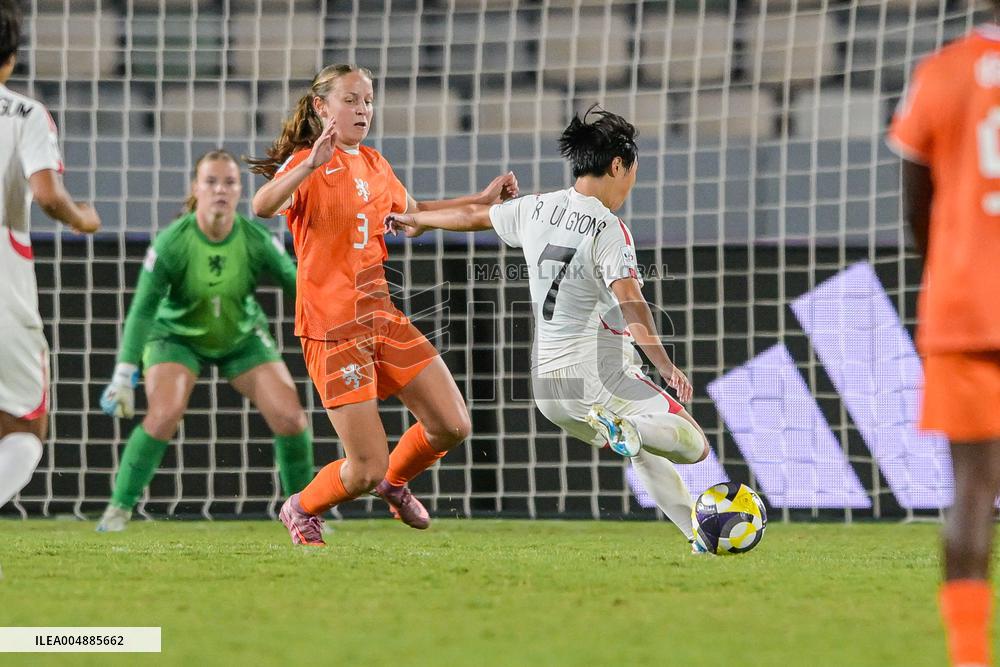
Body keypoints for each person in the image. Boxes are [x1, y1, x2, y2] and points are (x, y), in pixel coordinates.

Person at [387, 106, 710, 552]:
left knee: (641, 446)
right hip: (598, 375)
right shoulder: (609, 229)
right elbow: (631, 300)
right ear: (617, 165)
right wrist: (666, 364)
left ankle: (696, 534)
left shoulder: (538, 208)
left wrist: (420, 218)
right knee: (695, 446)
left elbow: (474, 216)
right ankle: (633, 430)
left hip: (549, 390)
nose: (631, 183)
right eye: (632, 171)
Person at [248, 64, 517, 545]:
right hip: (333, 331)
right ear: (321, 106)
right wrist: (309, 164)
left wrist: (481, 199)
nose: (363, 110)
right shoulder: (308, 163)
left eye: (368, 101)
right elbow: (263, 206)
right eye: (351, 99)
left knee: (452, 424)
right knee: (364, 468)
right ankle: (302, 507)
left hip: (382, 318)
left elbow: (415, 214)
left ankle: (397, 482)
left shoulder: (375, 165)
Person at [97, 149, 313, 531]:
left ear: (240, 190)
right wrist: (123, 372)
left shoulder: (256, 238)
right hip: (175, 337)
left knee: (292, 418)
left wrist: (336, 327)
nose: (220, 190)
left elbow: (298, 288)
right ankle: (118, 508)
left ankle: (305, 513)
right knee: (163, 415)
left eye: (229, 182)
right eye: (210, 181)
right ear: (195, 188)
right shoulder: (172, 243)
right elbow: (143, 310)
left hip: (241, 336)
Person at [889, 8, 1000, 666]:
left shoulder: (941, 71)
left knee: (972, 487)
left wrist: (951, 267)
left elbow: (915, 201)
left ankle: (967, 655)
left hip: (964, 304)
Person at [0, 0, 101, 509]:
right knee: (25, 427)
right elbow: (45, 193)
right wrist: (82, 218)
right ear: (12, 57)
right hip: (4, 283)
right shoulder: (25, 113)